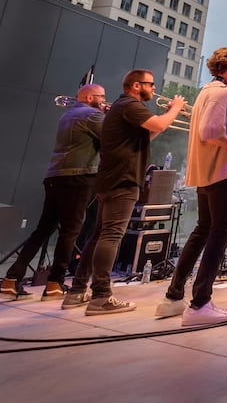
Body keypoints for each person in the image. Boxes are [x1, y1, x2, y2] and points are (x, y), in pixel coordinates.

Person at [63, 70, 185, 315]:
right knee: (111, 236)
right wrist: (175, 108)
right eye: (151, 85)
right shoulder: (130, 104)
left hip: (111, 180)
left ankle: (77, 291)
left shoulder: (123, 107)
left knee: (98, 236)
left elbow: (149, 134)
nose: (153, 89)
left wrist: (168, 117)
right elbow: (159, 122)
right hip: (124, 180)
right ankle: (101, 296)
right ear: (137, 85)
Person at [154, 47, 227, 325]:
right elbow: (210, 133)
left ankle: (173, 298)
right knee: (221, 232)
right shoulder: (222, 92)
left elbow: (210, 130)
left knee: (202, 230)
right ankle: (200, 304)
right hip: (220, 172)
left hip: (204, 172)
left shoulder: (206, 91)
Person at [0, 83, 106, 300]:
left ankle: (11, 279)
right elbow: (112, 140)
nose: (104, 101)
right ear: (90, 97)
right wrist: (109, 117)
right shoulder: (92, 115)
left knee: (43, 229)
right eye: (101, 97)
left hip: (55, 176)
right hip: (78, 176)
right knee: (70, 231)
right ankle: (55, 283)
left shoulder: (69, 114)